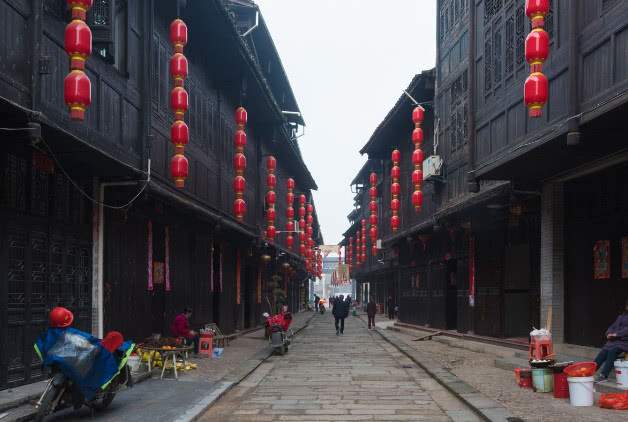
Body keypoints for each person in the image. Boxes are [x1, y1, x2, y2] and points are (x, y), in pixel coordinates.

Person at [594, 301, 628, 382]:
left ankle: (603, 375)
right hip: (614, 341)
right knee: (604, 351)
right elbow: (612, 326)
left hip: (624, 342)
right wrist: (609, 333)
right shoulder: (621, 316)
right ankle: (589, 372)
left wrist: (616, 334)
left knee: (612, 351)